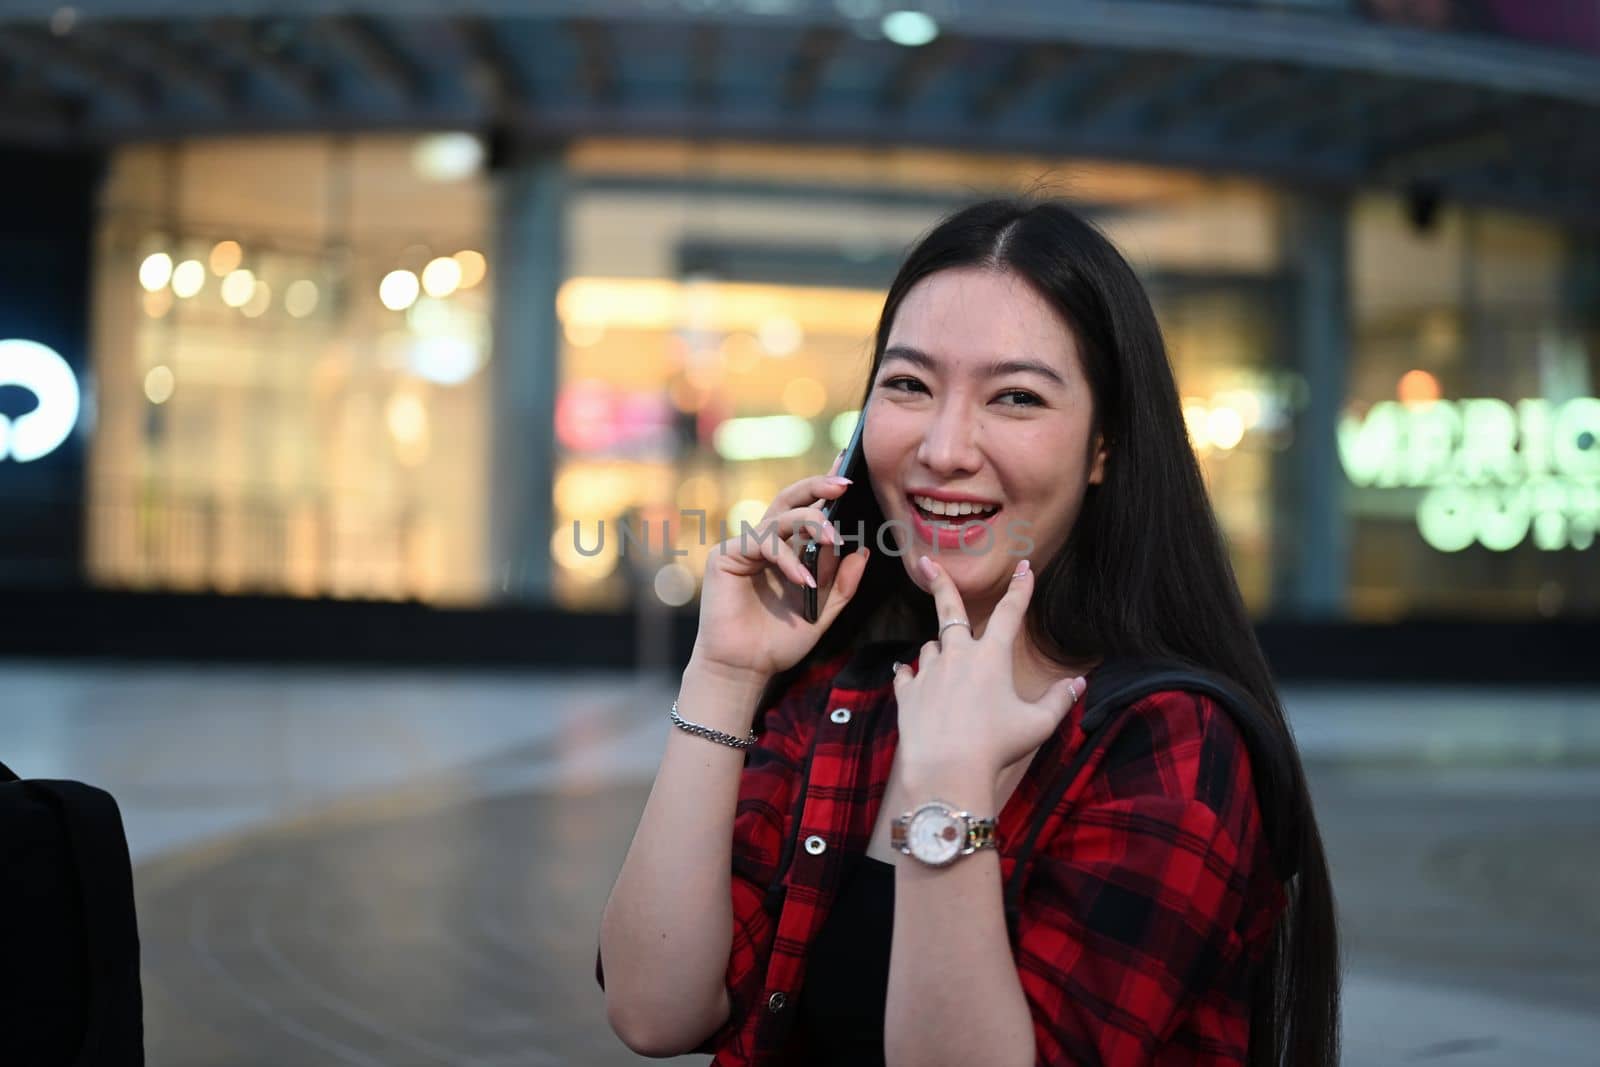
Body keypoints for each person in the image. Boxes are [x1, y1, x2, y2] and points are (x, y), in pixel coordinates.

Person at [596, 197, 1340, 1066]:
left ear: (1104, 445)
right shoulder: (843, 700)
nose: (945, 447)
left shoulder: (1171, 742)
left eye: (1016, 397)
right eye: (908, 384)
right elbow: (654, 1010)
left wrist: (948, 787)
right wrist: (724, 674)